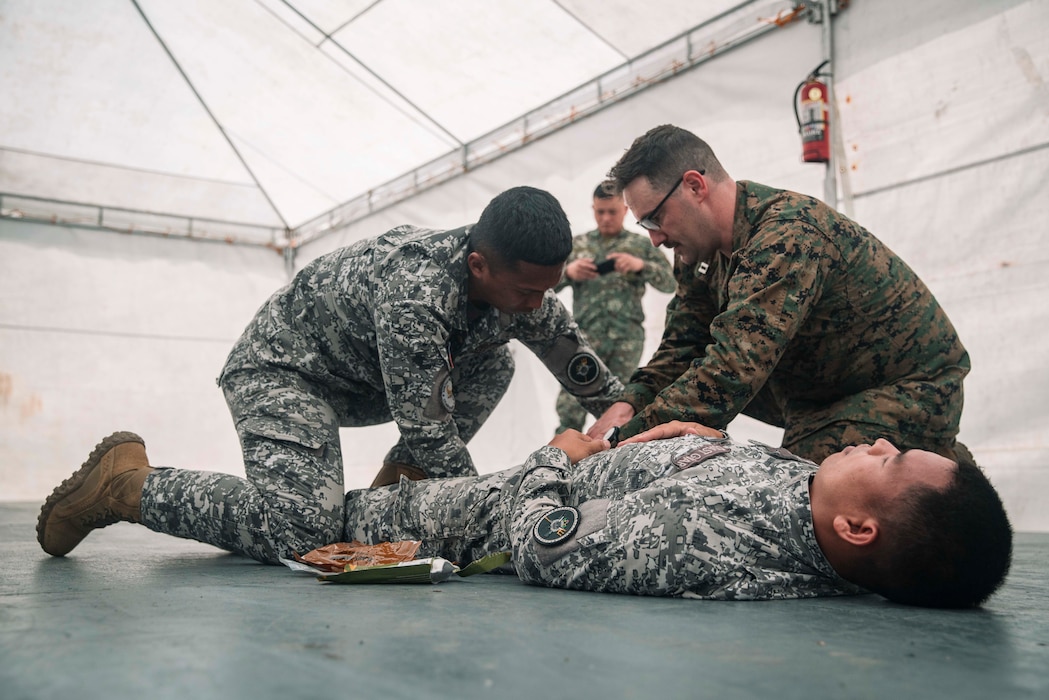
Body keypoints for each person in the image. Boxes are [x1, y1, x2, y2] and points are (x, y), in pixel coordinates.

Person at [37, 186, 624, 563]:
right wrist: (487, 517)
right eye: (525, 291)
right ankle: (127, 484)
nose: (536, 306)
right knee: (305, 535)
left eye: (546, 290)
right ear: (479, 265)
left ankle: (389, 506)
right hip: (285, 372)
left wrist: (631, 421)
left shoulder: (524, 292)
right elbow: (429, 431)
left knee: (496, 359)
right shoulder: (415, 292)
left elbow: (589, 378)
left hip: (359, 378)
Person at [37, 422, 1012, 609]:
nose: (875, 442)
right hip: (514, 488)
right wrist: (690, 435)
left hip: (474, 521)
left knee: (311, 523)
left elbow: (544, 547)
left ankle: (132, 486)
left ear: (857, 531)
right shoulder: (808, 503)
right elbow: (735, 470)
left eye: (889, 461)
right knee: (331, 507)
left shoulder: (709, 545)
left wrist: (562, 454)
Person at [588, 125, 972, 464]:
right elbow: (683, 345)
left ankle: (941, 462)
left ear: (694, 186)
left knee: (803, 487)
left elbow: (732, 371)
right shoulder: (697, 252)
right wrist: (630, 403)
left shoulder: (786, 234)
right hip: (818, 389)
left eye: (654, 219)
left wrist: (614, 445)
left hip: (909, 390)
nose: (654, 239)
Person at [554, 181, 675, 433]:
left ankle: (614, 451)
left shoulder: (640, 245)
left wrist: (641, 266)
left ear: (625, 210)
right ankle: (564, 452)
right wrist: (568, 273)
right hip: (584, 339)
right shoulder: (576, 246)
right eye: (600, 212)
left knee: (620, 408)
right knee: (570, 407)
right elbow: (543, 286)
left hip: (625, 341)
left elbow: (670, 283)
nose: (606, 218)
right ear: (593, 209)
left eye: (612, 211)